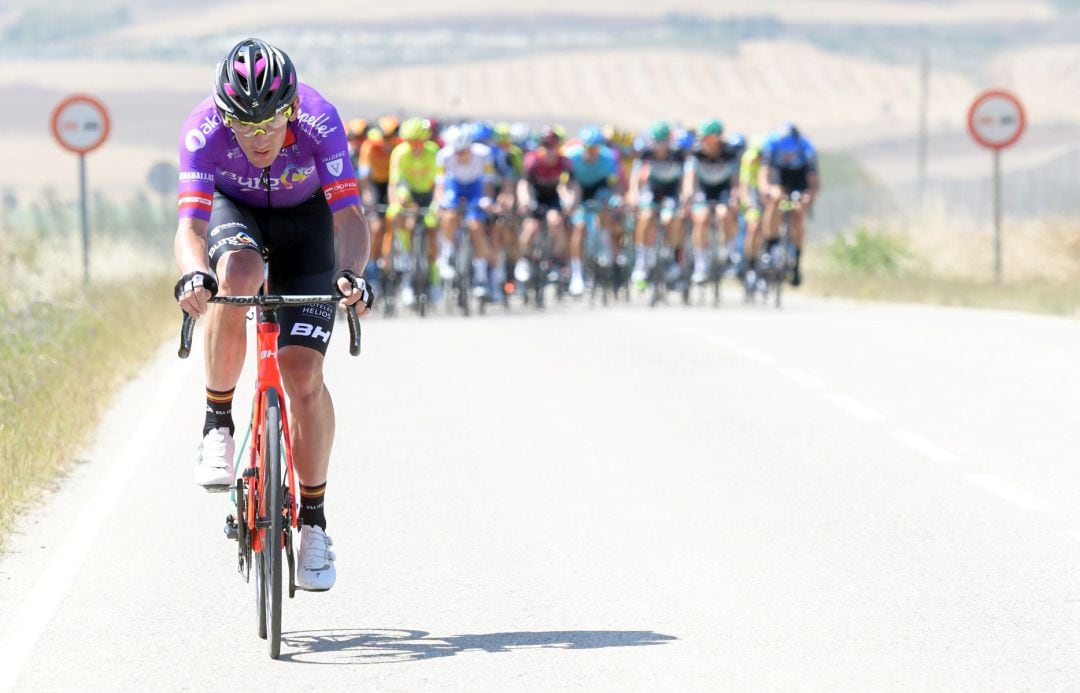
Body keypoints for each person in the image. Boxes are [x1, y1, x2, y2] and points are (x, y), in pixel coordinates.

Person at [174, 38, 373, 592]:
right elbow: (190, 228)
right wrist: (194, 275)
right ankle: (217, 421)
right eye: (245, 126)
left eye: (271, 125)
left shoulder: (319, 119)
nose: (260, 139)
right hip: (237, 215)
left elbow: (350, 217)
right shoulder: (201, 129)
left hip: (306, 224)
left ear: (291, 109)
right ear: (223, 117)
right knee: (234, 276)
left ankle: (313, 523)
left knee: (302, 374)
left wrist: (352, 273)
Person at [434, 126, 497, 298]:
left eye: (464, 152)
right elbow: (440, 185)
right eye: (457, 152)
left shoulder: (484, 154)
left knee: (476, 226)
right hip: (455, 186)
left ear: (470, 148)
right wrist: (440, 202)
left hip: (475, 188)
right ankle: (447, 254)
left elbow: (488, 182)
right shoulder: (444, 156)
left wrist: (487, 200)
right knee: (449, 215)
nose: (460, 156)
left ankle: (481, 277)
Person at [387, 117, 440, 306]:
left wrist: (436, 204)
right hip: (408, 193)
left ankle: (434, 281)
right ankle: (407, 274)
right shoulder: (400, 153)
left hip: (428, 193)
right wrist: (396, 204)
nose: (416, 146)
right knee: (399, 214)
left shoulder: (433, 151)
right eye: (411, 142)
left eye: (420, 142)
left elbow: (439, 183)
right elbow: (394, 184)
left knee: (433, 232)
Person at [514, 127, 577, 286]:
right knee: (530, 228)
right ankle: (525, 259)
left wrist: (570, 201)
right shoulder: (533, 160)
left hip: (553, 197)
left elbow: (571, 186)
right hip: (535, 196)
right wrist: (524, 201)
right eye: (546, 146)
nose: (550, 150)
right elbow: (524, 184)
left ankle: (555, 261)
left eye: (553, 146)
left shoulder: (564, 162)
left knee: (556, 222)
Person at [683, 118, 743, 284]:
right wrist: (688, 194)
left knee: (725, 214)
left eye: (709, 138)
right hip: (704, 189)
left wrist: (735, 195)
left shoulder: (730, 152)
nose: (705, 142)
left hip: (722, 189)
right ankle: (701, 263)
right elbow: (689, 178)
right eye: (703, 138)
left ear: (718, 138)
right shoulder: (695, 152)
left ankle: (729, 251)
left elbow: (735, 181)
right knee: (701, 218)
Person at [760, 122, 819, 286]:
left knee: (798, 212)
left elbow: (813, 182)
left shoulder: (807, 150)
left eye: (790, 150)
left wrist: (809, 197)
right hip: (778, 174)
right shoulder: (771, 145)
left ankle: (797, 264)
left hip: (798, 177)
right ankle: (769, 246)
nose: (787, 154)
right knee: (776, 199)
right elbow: (764, 174)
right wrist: (766, 191)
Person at [629, 120, 687, 288]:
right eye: (656, 142)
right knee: (645, 216)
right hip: (652, 191)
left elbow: (685, 180)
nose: (659, 146)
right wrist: (633, 194)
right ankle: (641, 260)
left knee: (671, 218)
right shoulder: (645, 153)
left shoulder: (678, 153)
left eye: (663, 142)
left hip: (671, 192)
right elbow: (636, 177)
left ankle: (668, 254)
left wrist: (684, 198)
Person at [565, 125, 621, 295]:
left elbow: (614, 184)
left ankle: (604, 243)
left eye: (595, 148)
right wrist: (568, 201)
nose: (592, 151)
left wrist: (617, 199)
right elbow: (567, 184)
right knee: (580, 227)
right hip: (579, 188)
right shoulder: (571, 157)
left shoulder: (608, 158)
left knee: (605, 209)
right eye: (589, 148)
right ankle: (577, 274)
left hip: (599, 188)